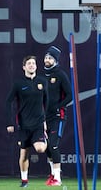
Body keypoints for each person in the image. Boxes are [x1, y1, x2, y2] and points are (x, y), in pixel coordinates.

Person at [6, 55, 48, 188]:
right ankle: (24, 181)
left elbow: (46, 102)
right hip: (24, 125)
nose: (31, 65)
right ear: (24, 67)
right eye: (29, 63)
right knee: (24, 154)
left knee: (40, 149)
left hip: (38, 123)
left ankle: (46, 140)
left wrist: (45, 119)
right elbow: (8, 102)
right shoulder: (18, 84)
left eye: (33, 63)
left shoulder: (42, 81)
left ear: (36, 66)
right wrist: (10, 122)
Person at [42, 46, 72, 186]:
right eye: (46, 57)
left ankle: (58, 179)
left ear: (55, 60)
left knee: (54, 145)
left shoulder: (60, 74)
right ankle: (53, 174)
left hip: (57, 116)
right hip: (43, 117)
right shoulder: (41, 75)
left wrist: (59, 106)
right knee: (46, 146)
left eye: (50, 58)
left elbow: (70, 95)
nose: (47, 60)